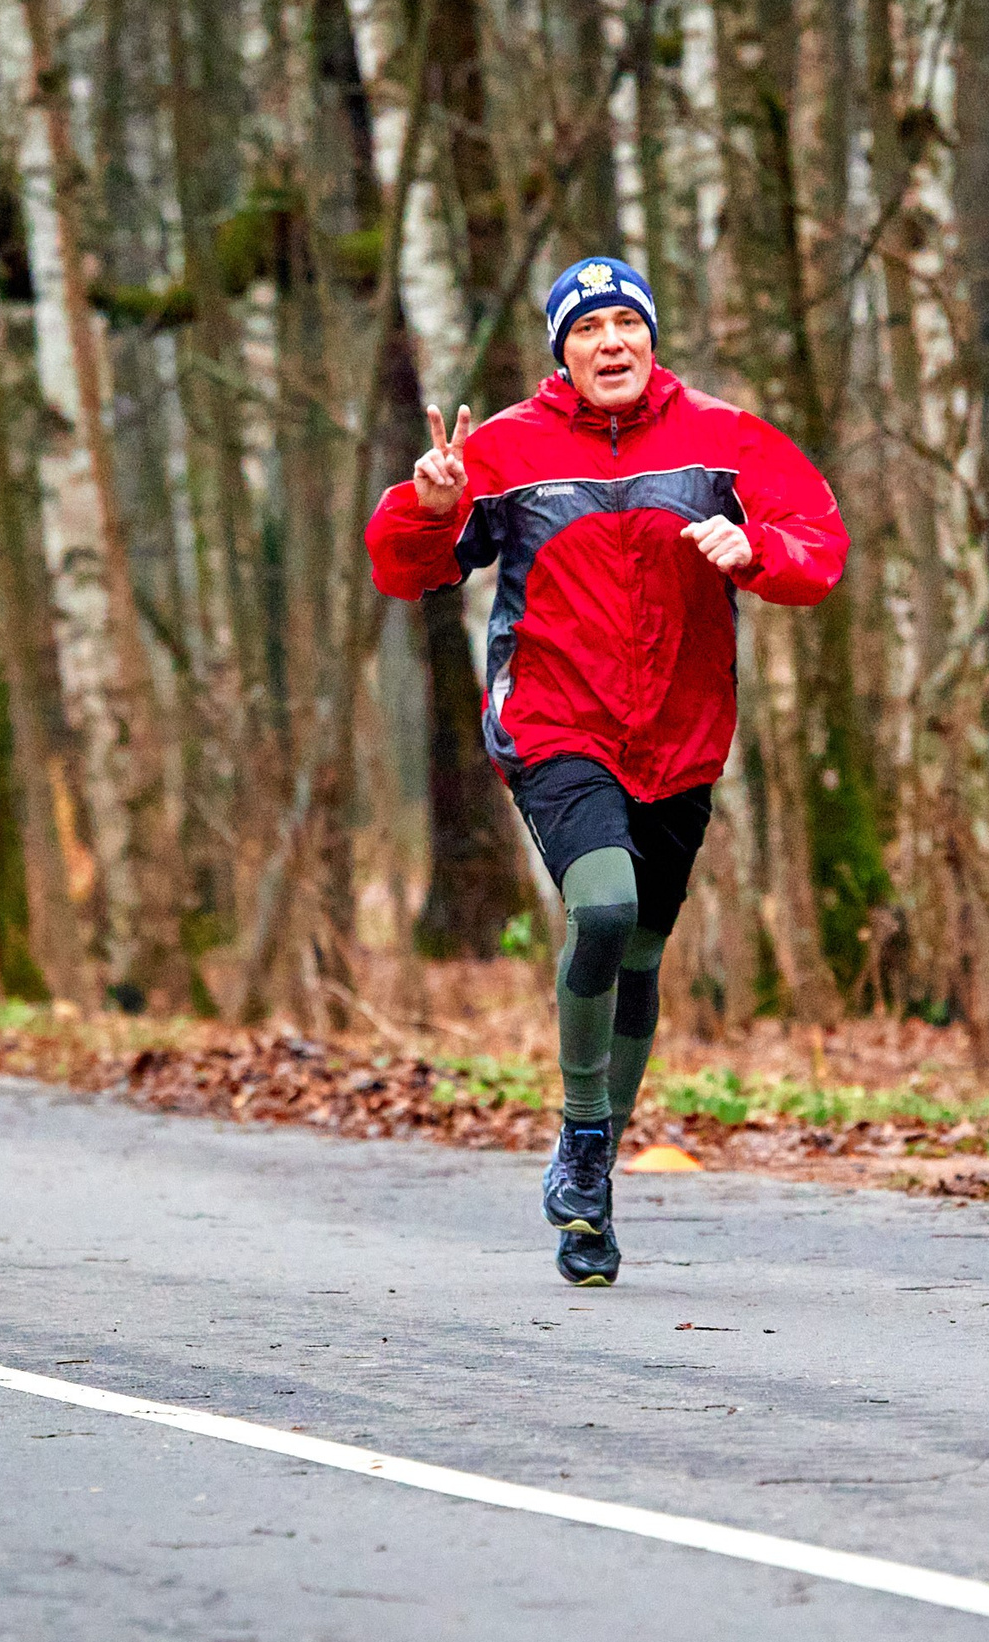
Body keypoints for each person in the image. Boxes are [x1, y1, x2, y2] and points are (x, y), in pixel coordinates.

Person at [363, 255, 847, 1286]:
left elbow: (818, 545)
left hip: (680, 736)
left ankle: (591, 1192)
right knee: (604, 906)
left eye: (627, 322)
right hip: (555, 726)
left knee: (640, 957)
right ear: (562, 353)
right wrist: (430, 502)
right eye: (588, 329)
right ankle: (584, 1134)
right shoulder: (504, 448)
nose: (611, 342)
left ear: (653, 339)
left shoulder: (724, 437)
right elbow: (404, 568)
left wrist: (755, 549)